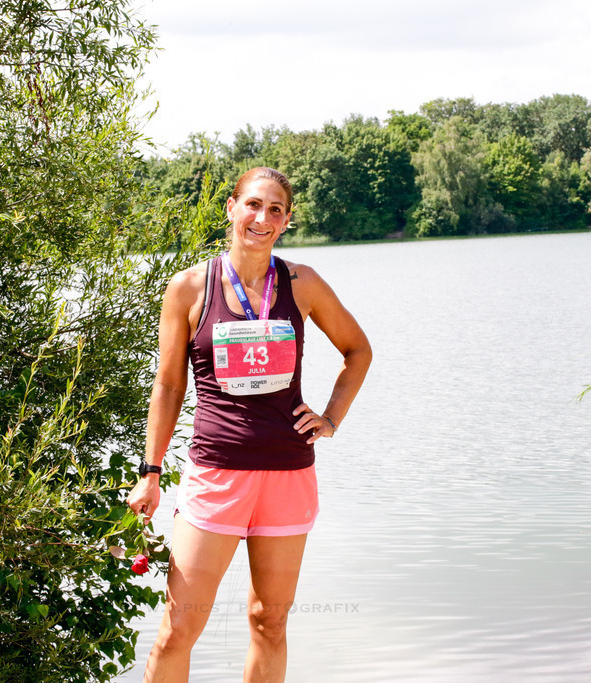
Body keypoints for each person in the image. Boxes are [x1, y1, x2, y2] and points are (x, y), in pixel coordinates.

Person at [128, 167, 371, 683]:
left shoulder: (302, 284)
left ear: (287, 221)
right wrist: (150, 472)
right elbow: (169, 387)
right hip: (217, 476)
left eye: (276, 209)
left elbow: (358, 351)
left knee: (270, 621)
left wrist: (330, 419)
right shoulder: (190, 287)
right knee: (179, 626)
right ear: (232, 208)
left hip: (288, 474)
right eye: (253, 204)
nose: (263, 218)